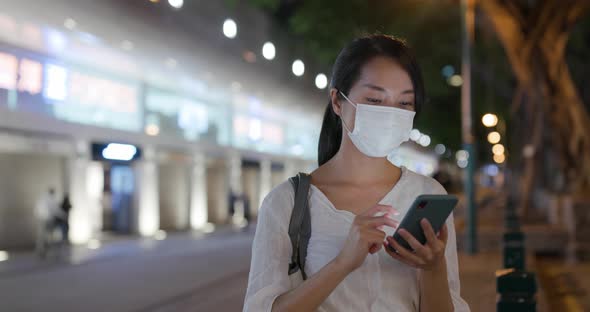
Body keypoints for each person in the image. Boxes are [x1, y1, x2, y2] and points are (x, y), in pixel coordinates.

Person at [244, 35, 470, 311]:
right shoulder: (286, 203)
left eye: (404, 104)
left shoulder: (427, 195)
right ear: (338, 102)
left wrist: (434, 268)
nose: (390, 114)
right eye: (375, 99)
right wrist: (343, 263)